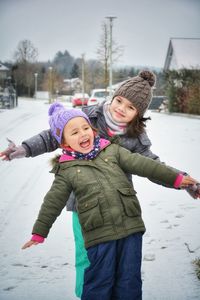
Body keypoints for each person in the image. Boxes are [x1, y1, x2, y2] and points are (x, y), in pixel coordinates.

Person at [1, 71, 200, 297]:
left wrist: (182, 181)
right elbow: (51, 136)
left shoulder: (135, 138)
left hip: (120, 207)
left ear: (138, 114)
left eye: (131, 107)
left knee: (123, 266)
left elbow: (151, 165)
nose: (121, 108)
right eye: (119, 100)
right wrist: (24, 149)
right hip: (84, 206)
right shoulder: (87, 117)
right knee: (89, 260)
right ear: (113, 97)